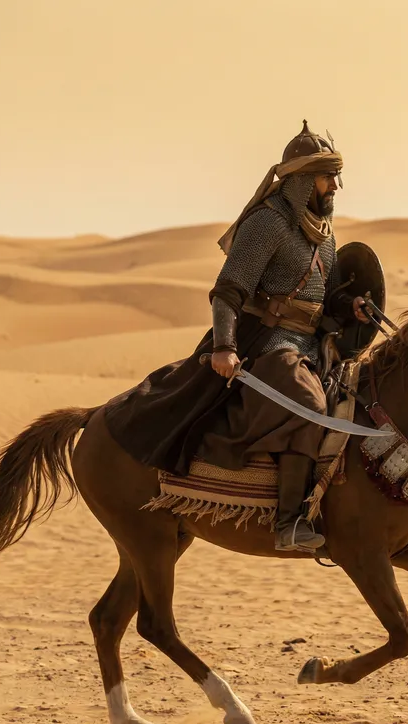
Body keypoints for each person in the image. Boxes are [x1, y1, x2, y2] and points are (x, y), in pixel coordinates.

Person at [103, 121, 369, 553]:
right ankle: (289, 522)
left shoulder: (323, 230)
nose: (335, 185)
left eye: (336, 175)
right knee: (308, 405)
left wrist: (350, 307)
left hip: (314, 344)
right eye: (327, 176)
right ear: (302, 179)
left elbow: (322, 293)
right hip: (268, 342)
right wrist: (224, 347)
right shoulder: (268, 223)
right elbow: (228, 290)